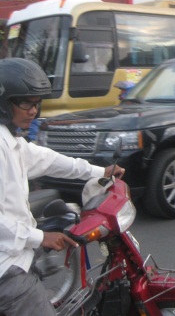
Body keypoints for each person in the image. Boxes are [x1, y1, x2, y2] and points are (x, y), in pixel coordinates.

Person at [0, 58, 125, 316]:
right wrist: (40, 237)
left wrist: (99, 171)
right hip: (6, 269)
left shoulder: (12, 140)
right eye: (26, 103)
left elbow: (48, 160)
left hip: (16, 253)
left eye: (36, 103)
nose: (33, 111)